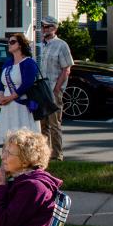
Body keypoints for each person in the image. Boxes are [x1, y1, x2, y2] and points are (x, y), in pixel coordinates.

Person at [39, 15, 73, 161]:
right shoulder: (42, 45)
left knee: (54, 124)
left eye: (47, 26)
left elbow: (66, 69)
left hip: (53, 90)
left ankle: (57, 155)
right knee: (43, 124)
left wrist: (57, 89)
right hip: (42, 90)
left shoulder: (61, 45)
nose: (44, 29)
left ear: (54, 28)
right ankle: (45, 155)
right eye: (43, 27)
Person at [0, 32, 40, 142]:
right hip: (7, 103)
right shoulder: (8, 63)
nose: (9, 44)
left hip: (21, 104)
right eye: (9, 42)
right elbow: (1, 82)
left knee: (23, 133)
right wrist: (0, 95)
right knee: (8, 132)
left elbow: (28, 83)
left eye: (12, 42)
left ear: (20, 45)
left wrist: (10, 97)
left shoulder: (29, 62)